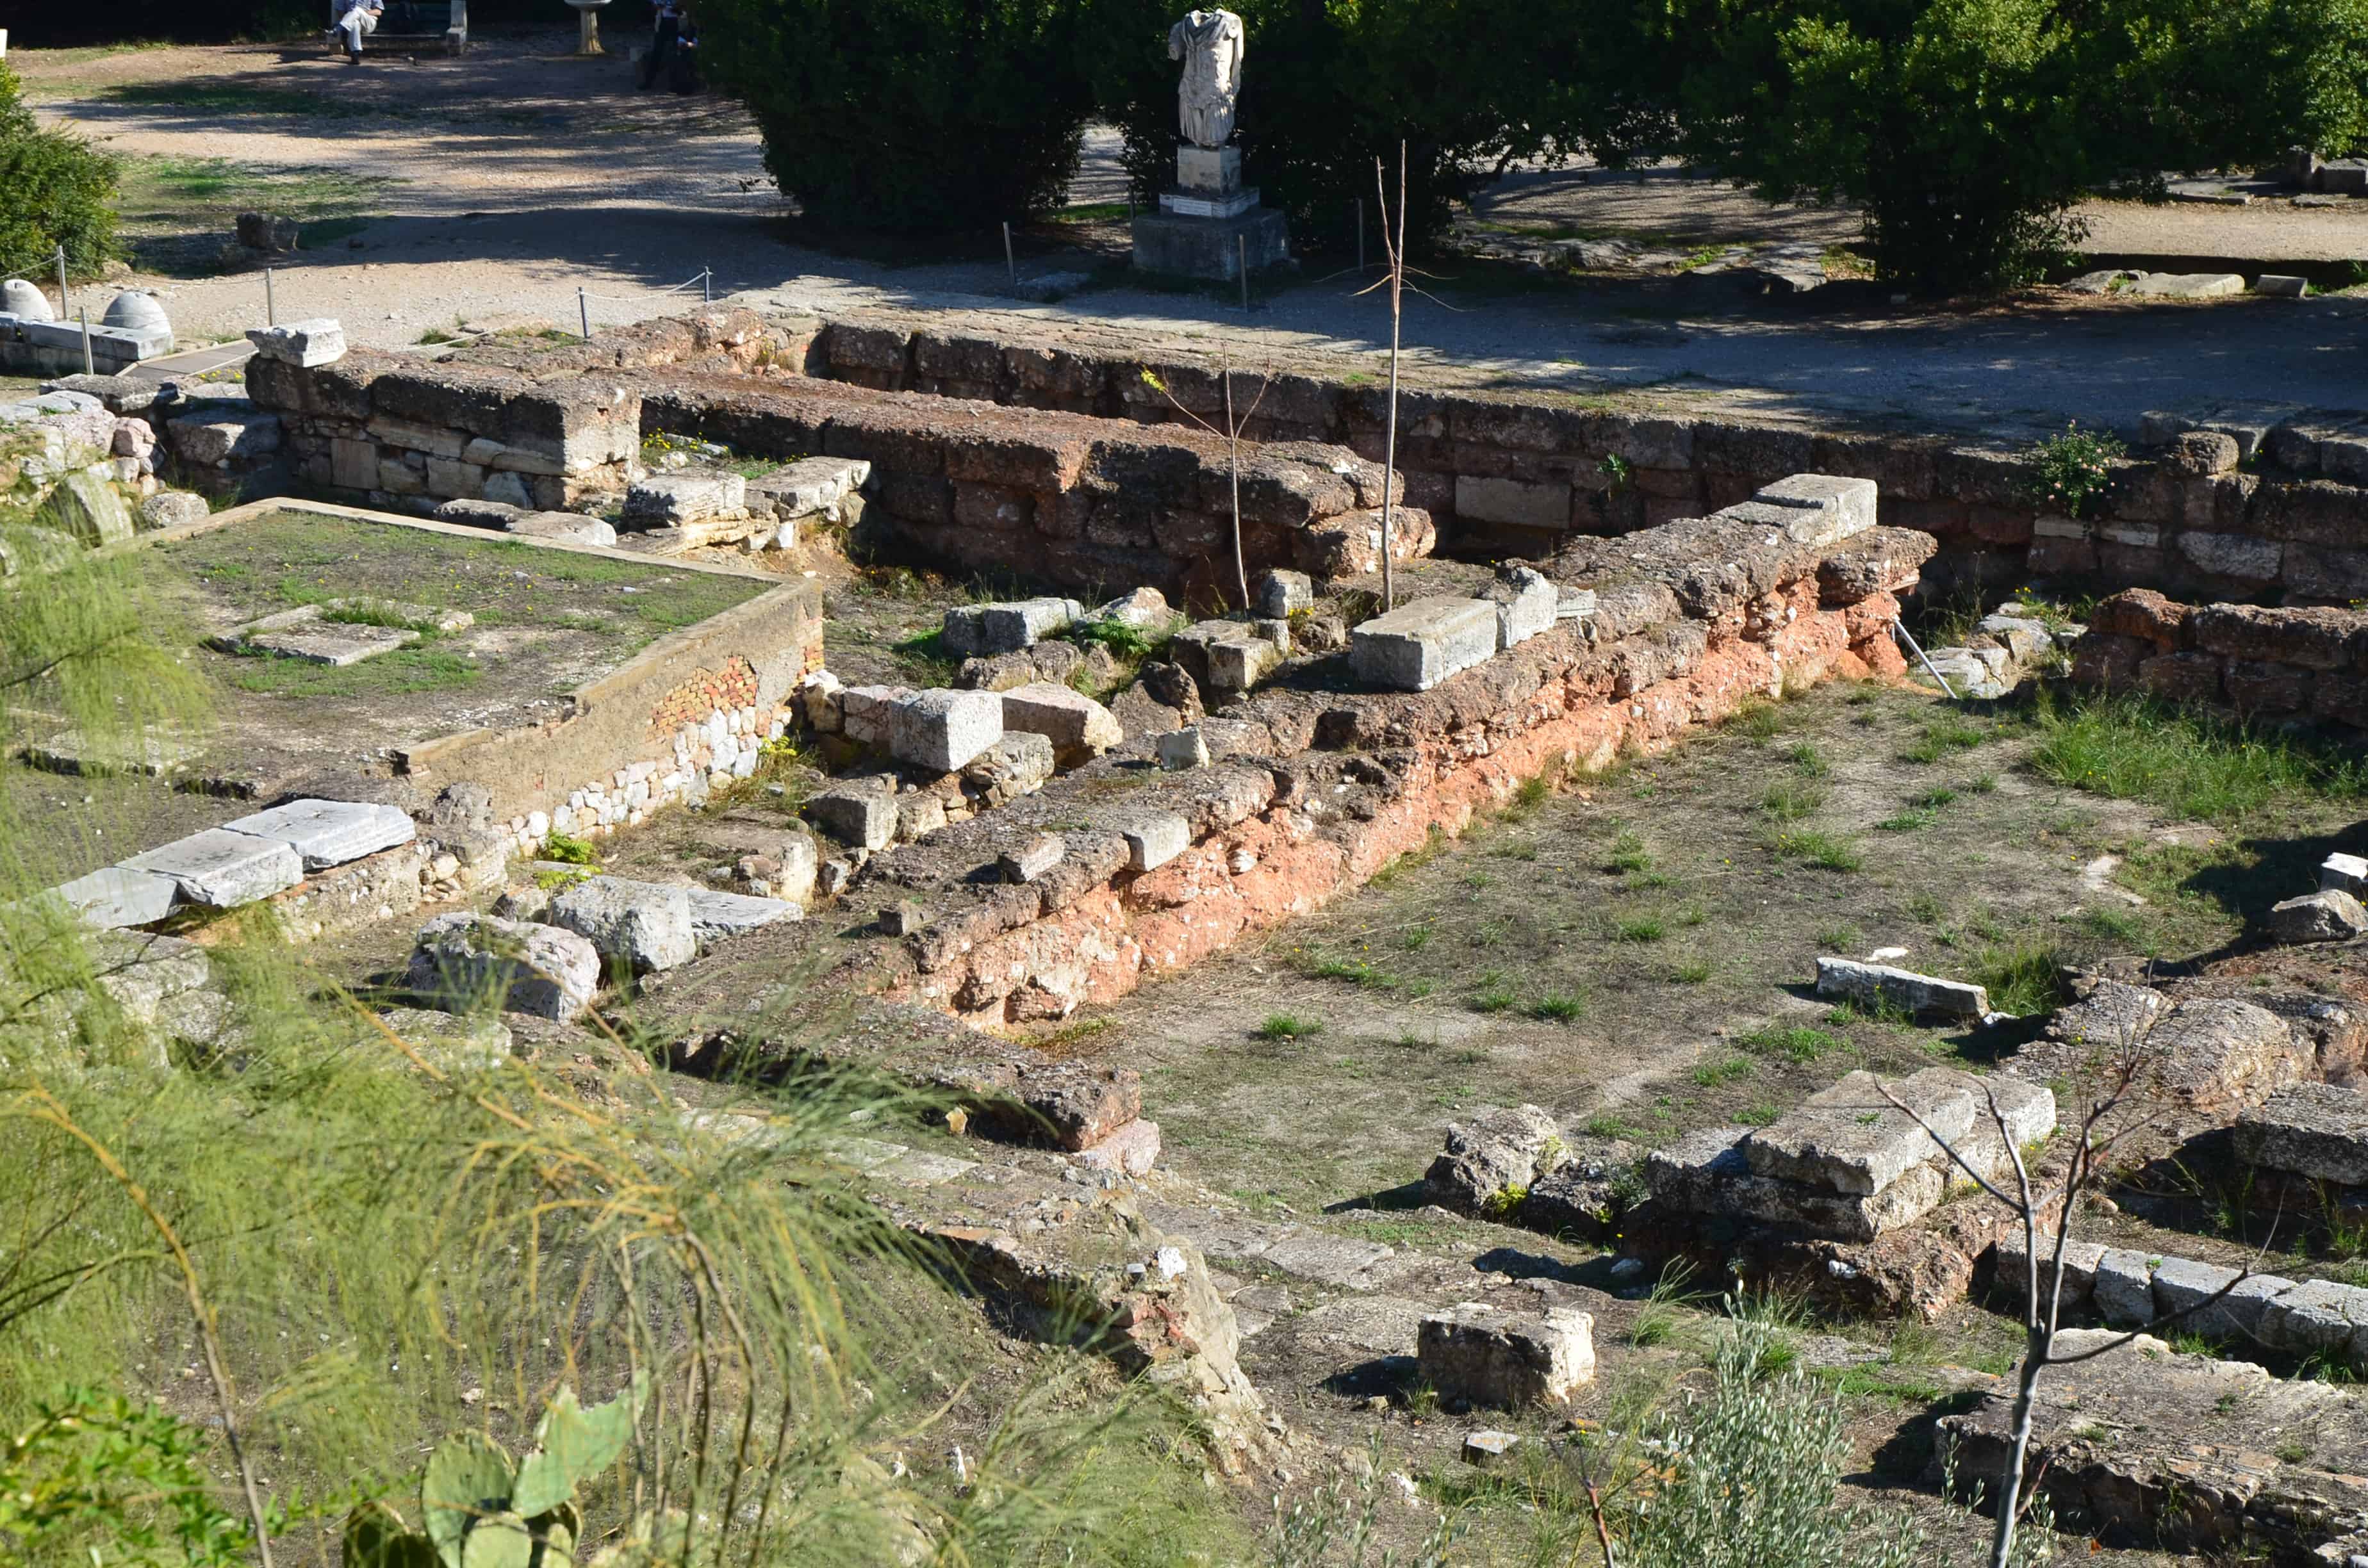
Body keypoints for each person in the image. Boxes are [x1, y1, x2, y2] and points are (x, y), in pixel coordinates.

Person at [638, 1, 689, 92]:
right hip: (663, 22)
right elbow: (654, 5)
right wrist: (658, 6)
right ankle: (648, 82)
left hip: (677, 22)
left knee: (675, 53)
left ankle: (675, 84)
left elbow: (685, 6)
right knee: (657, 52)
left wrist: (677, 7)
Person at [327, 1, 384, 65]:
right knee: (355, 23)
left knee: (357, 10)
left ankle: (339, 29)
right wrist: (353, 16)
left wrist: (361, 13)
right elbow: (340, 11)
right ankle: (355, 54)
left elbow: (379, 12)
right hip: (351, 21)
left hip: (368, 21)